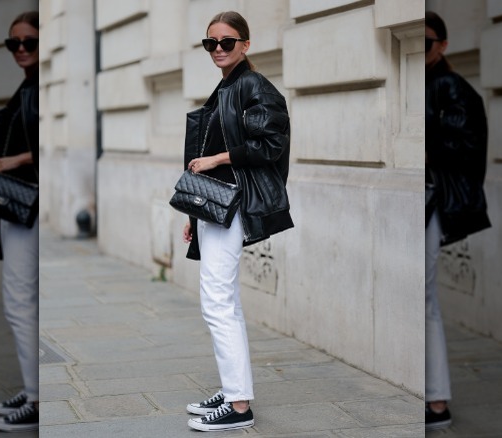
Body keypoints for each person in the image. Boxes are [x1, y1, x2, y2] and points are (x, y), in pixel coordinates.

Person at [181, 11, 293, 432]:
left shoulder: (253, 85)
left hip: (234, 206)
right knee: (223, 302)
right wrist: (194, 212)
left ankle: (239, 407)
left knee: (217, 303)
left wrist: (217, 159)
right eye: (211, 43)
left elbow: (271, 143)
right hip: (214, 207)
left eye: (227, 42)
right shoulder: (227, 86)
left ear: (246, 44)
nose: (219, 49)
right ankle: (234, 389)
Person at [425, 11, 491, 431]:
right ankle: (434, 401)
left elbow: (465, 146)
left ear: (443, 45)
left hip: (429, 201)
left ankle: (436, 402)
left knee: (424, 299)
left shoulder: (450, 85)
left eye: (427, 42)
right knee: (422, 299)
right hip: (420, 200)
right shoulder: (419, 82)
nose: (420, 49)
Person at [0, 11, 40, 433]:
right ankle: (31, 387)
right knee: (23, 303)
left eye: (28, 42)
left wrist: (18, 160)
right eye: (13, 44)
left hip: (30, 206)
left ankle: (37, 399)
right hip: (15, 205)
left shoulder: (40, 88)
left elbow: (45, 146)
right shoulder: (27, 86)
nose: (20, 50)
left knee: (20, 303)